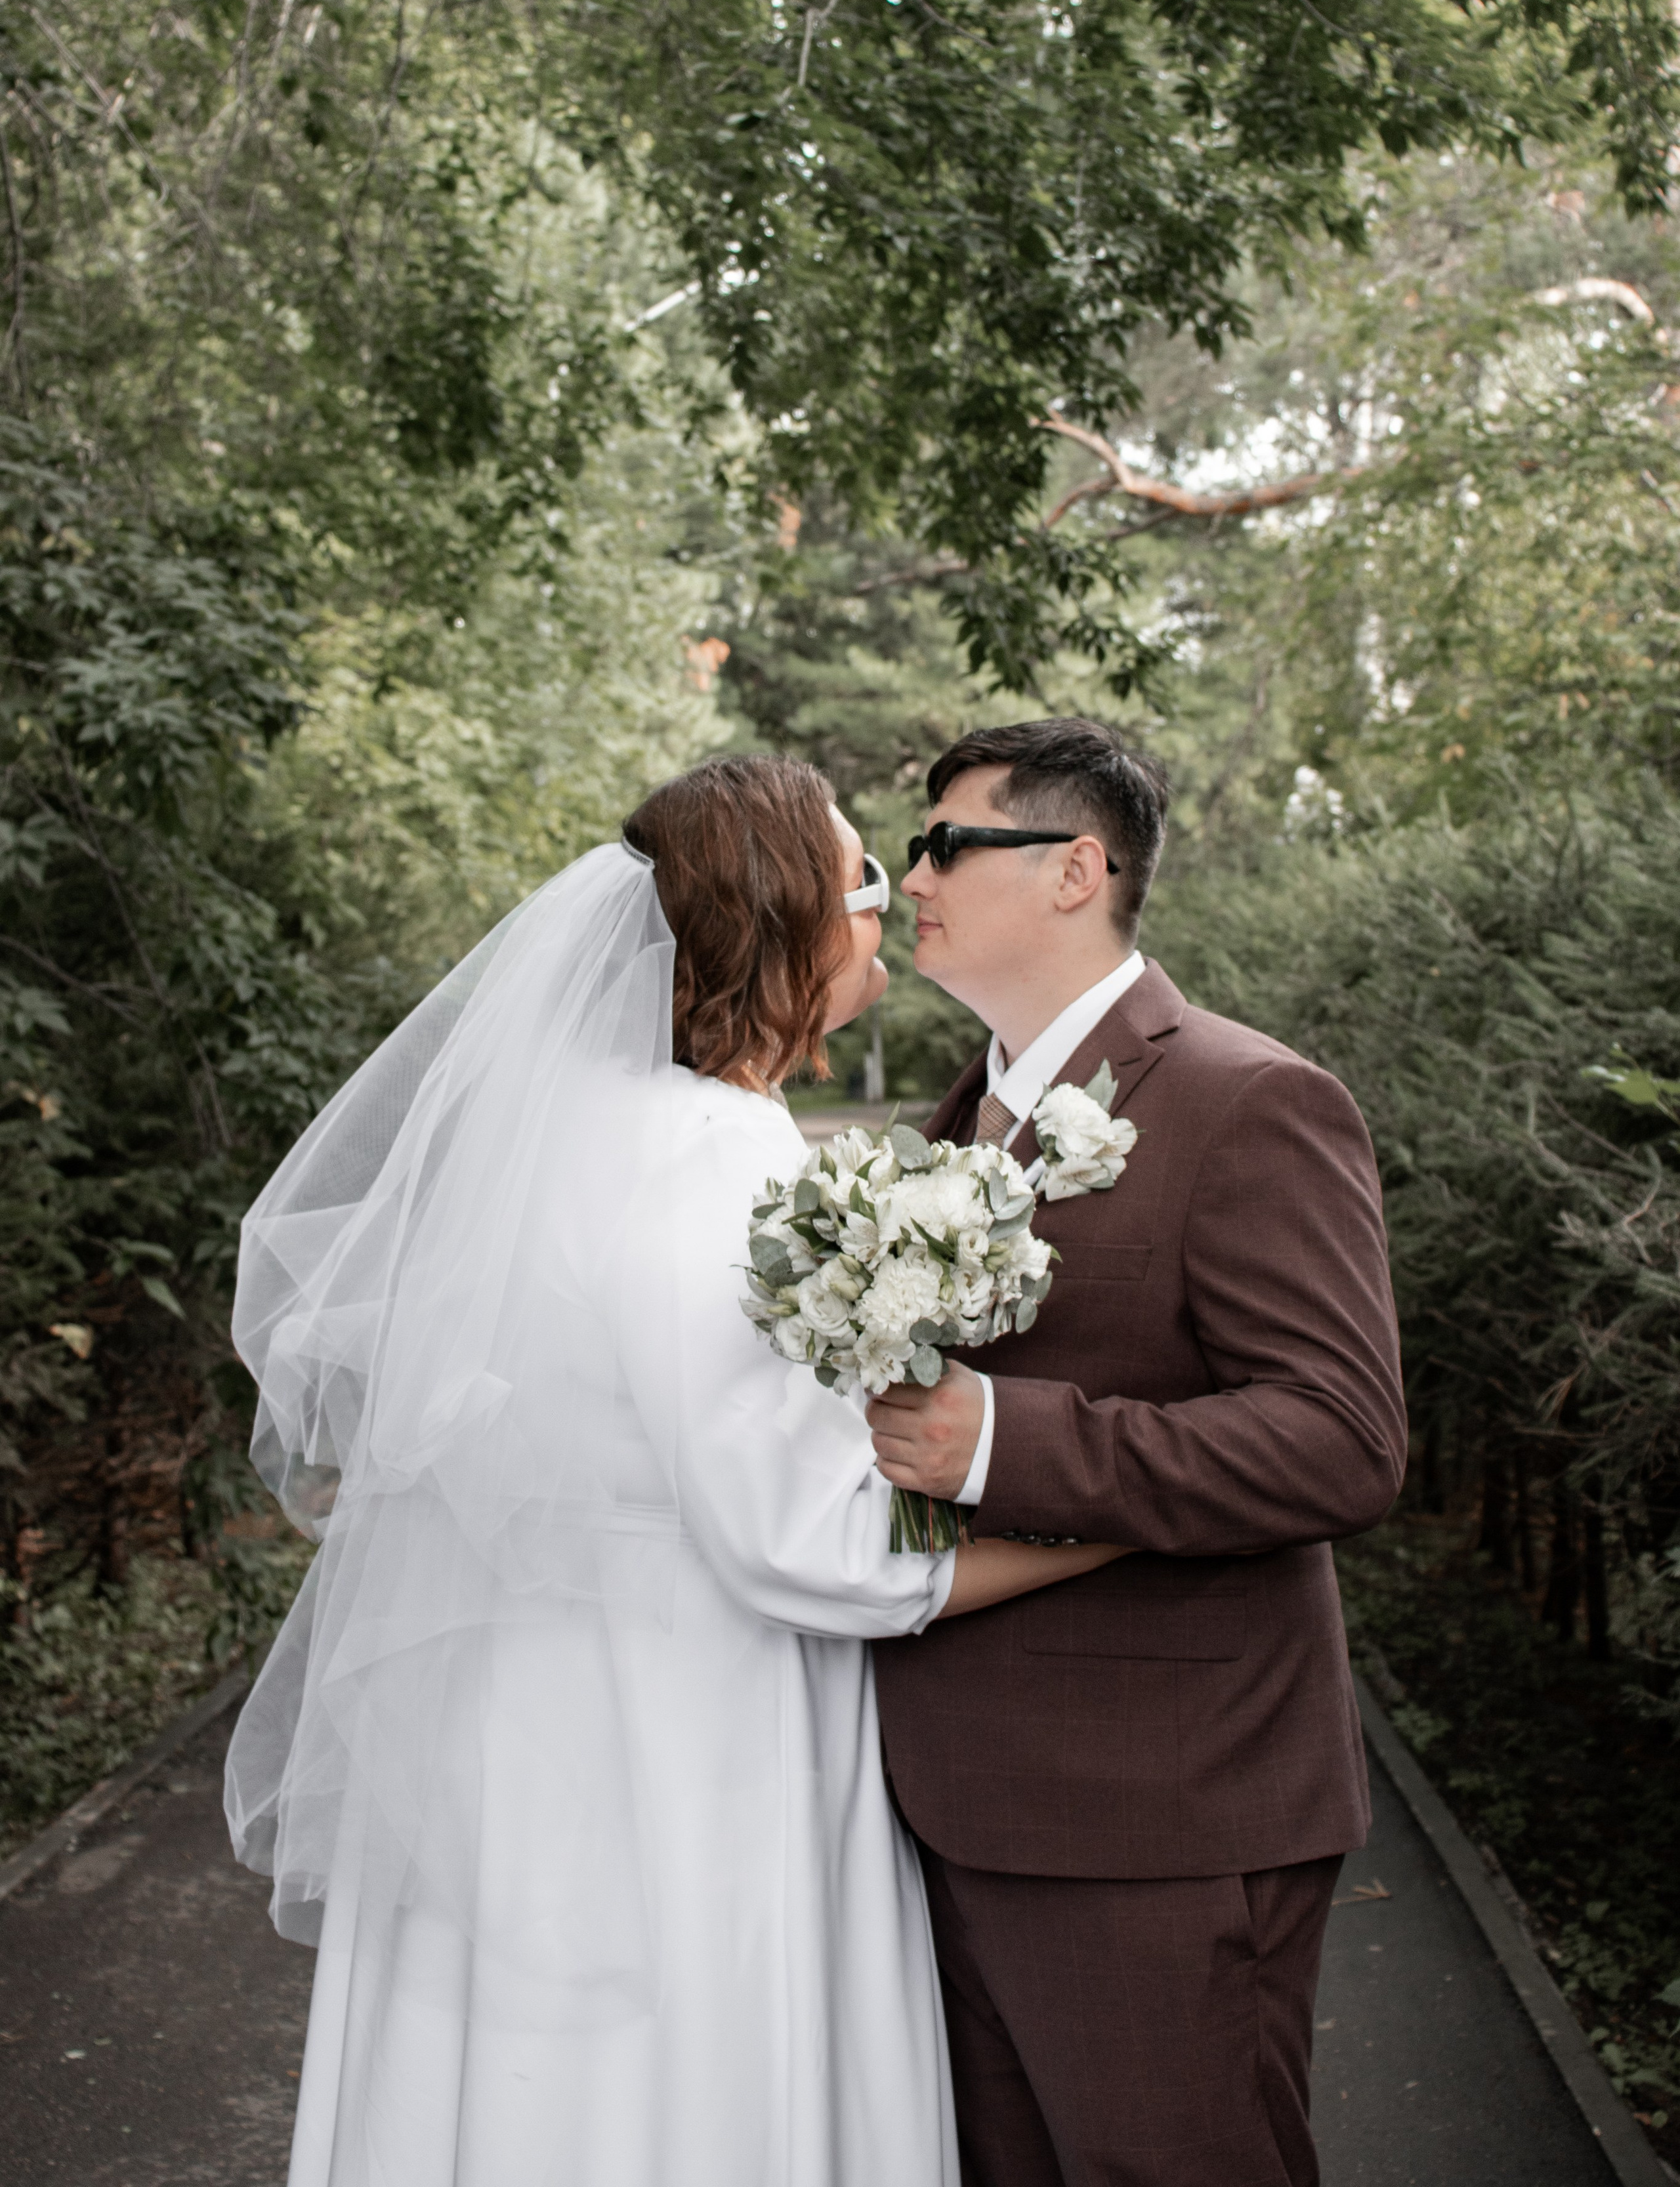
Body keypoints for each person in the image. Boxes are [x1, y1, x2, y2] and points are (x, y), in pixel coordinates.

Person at [223, 752, 1121, 2187]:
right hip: (683, 1732)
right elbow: (806, 1545)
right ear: (783, 921)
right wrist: (1104, 1538)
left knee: (519, 2099)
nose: (887, 908)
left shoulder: (573, 1132)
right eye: (863, 882)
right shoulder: (716, 1157)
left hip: (527, 1716)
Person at [868, 717, 1407, 2187]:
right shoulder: (958, 1120)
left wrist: (1003, 1440)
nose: (905, 876)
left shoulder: (1248, 1101)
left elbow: (1340, 1440)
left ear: (1072, 870)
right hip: (953, 1797)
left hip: (1159, 1812)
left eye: (943, 844)